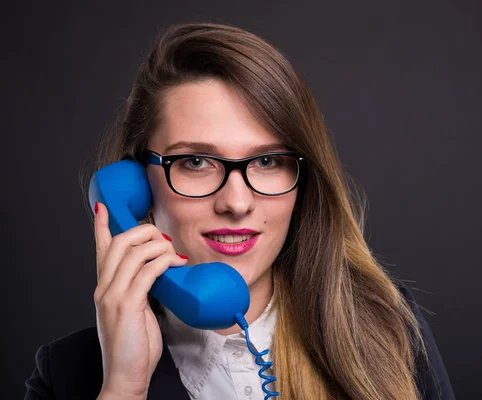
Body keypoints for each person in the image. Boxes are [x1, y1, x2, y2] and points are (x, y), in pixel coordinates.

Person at [24, 22, 455, 400]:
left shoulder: (387, 325)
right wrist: (124, 388)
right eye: (195, 161)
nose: (236, 203)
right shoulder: (67, 374)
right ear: (137, 183)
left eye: (267, 161)